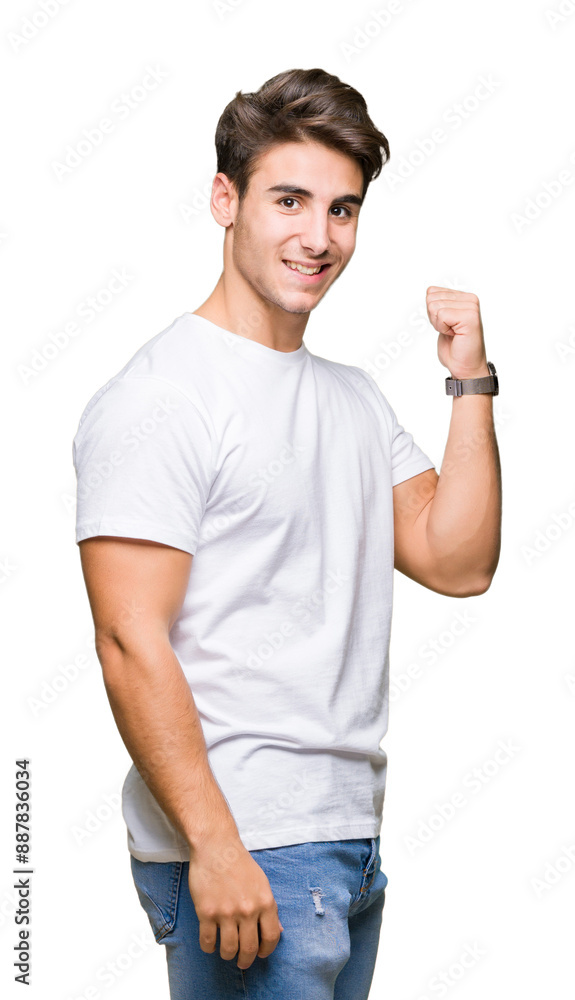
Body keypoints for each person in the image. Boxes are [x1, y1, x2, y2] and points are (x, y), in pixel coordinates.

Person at [72, 67, 502, 1000]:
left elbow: (458, 560)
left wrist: (469, 381)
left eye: (342, 210)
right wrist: (214, 849)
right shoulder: (162, 397)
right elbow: (126, 638)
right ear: (225, 200)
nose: (318, 237)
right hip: (244, 846)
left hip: (344, 840)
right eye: (289, 200)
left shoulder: (349, 399)